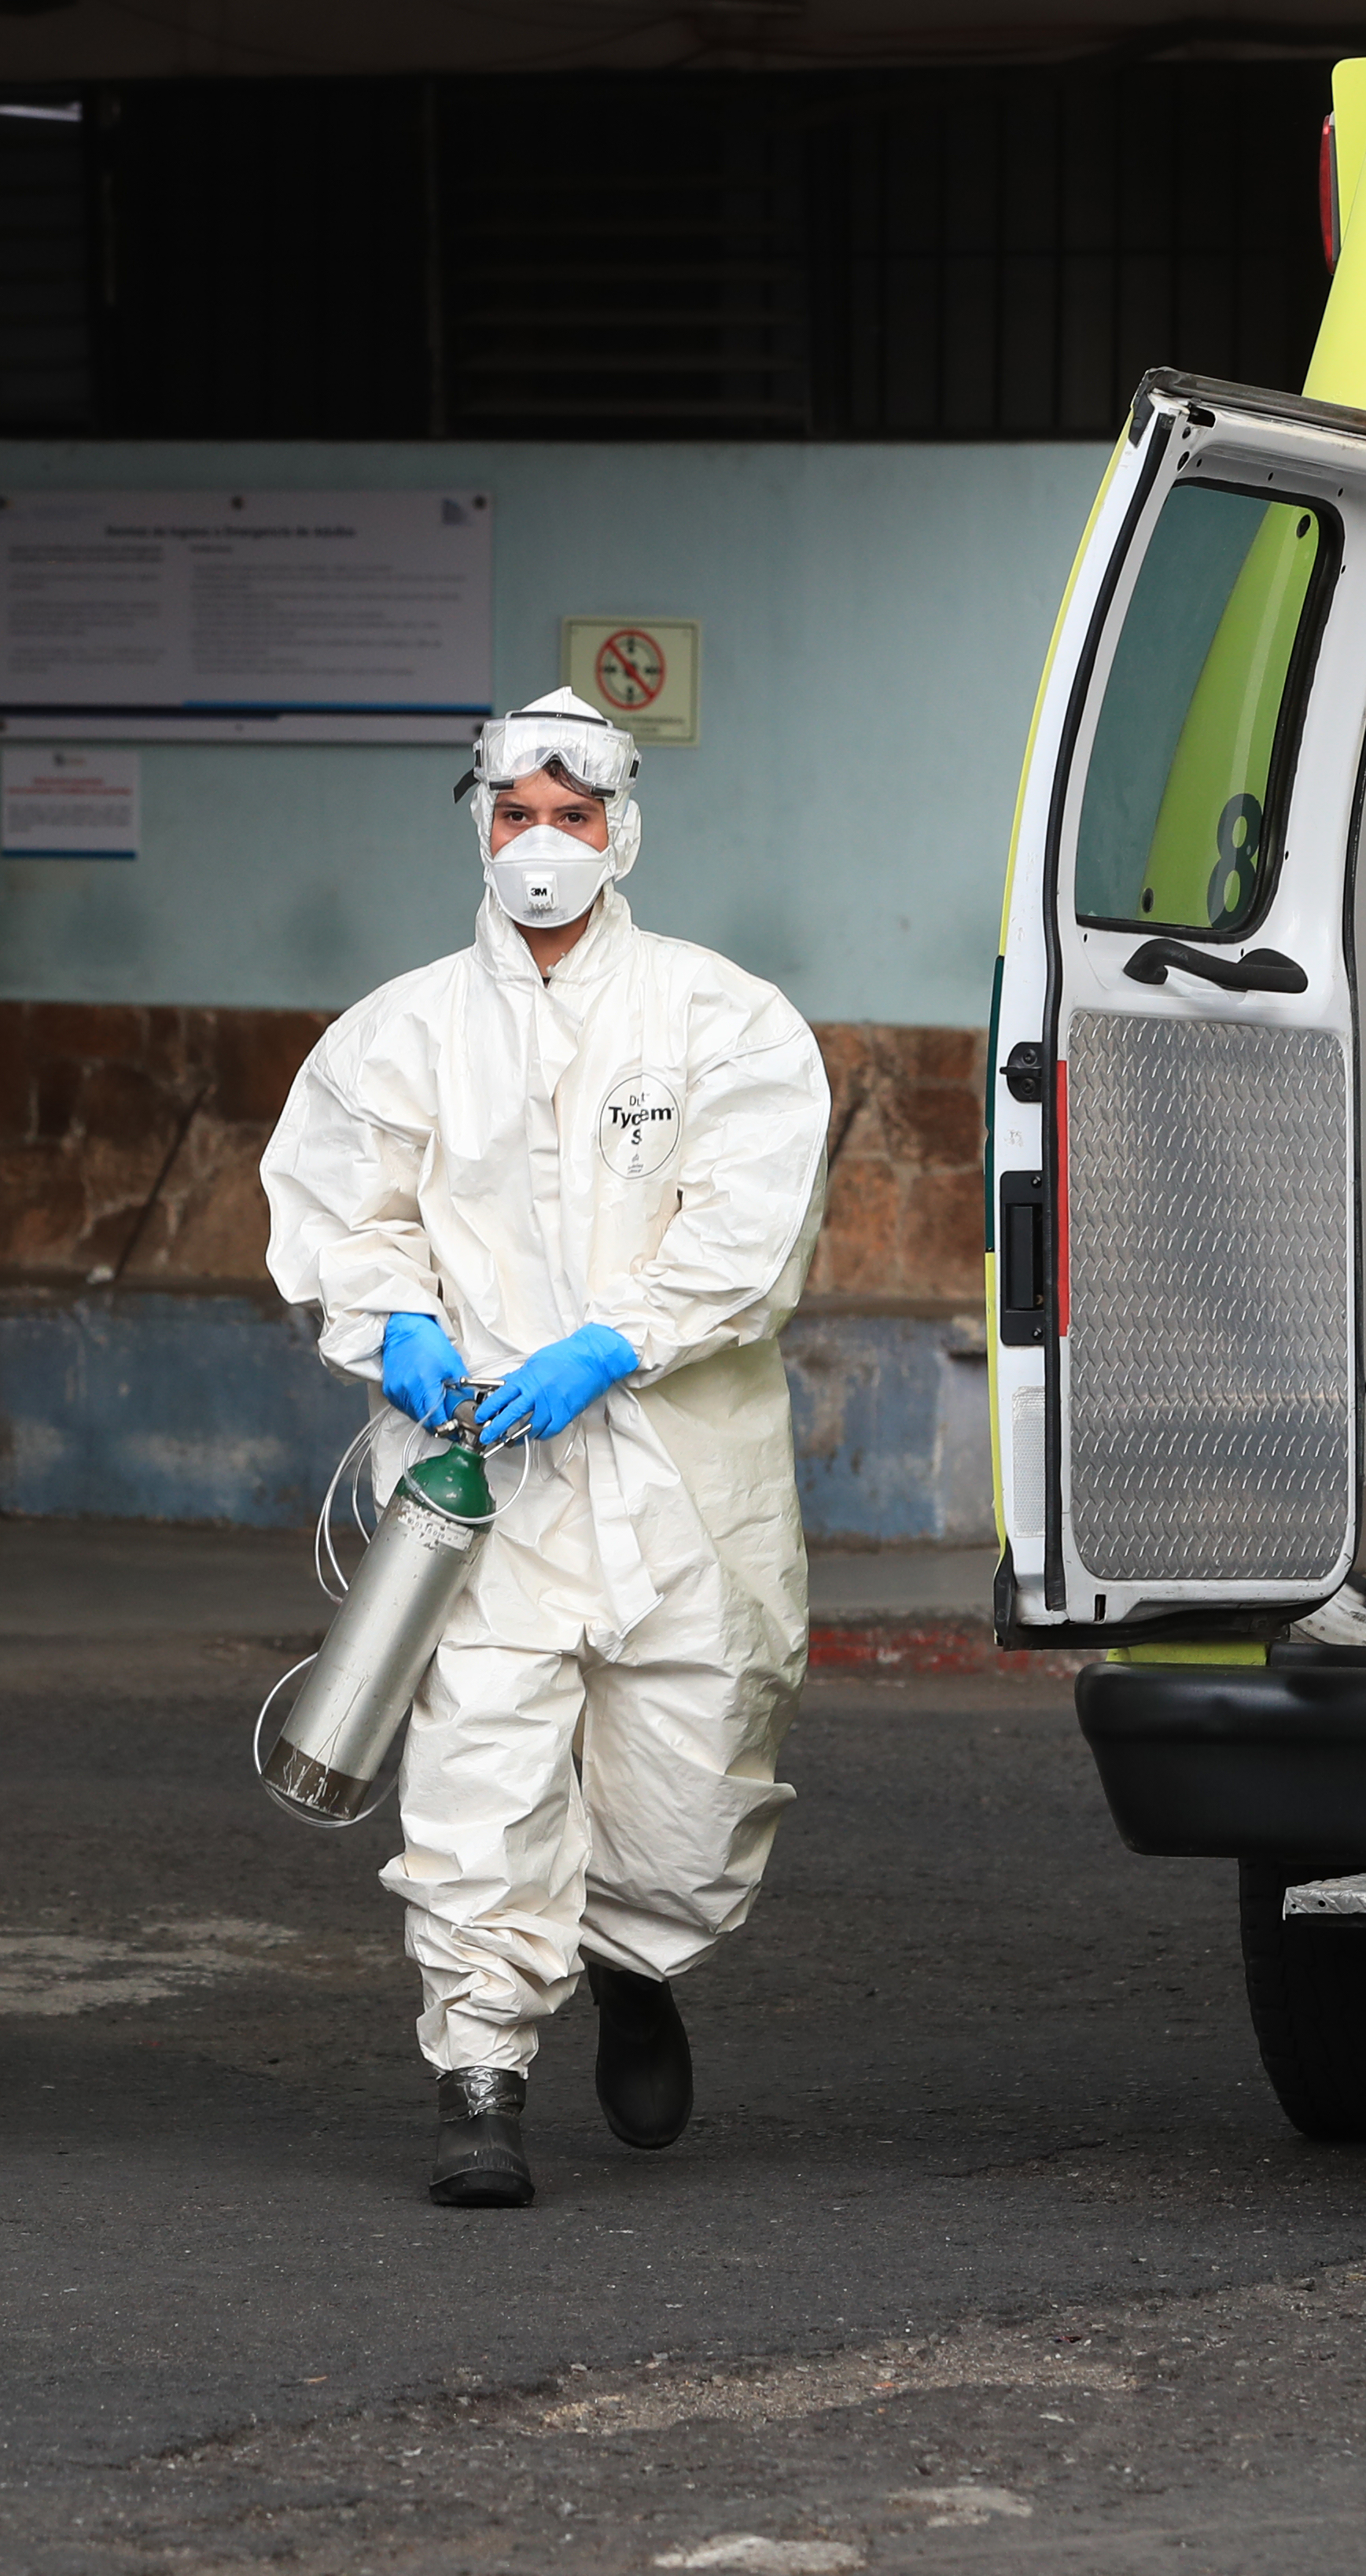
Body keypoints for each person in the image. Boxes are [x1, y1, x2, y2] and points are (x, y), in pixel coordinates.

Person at [262, 687, 834, 2208]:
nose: (542, 846)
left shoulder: (726, 1021)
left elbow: (750, 1226)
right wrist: (394, 1323)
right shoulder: (398, 1033)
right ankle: (481, 2071)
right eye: (517, 816)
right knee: (480, 1778)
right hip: (473, 1484)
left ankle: (636, 1962)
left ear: (621, 831)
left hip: (674, 1478)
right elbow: (342, 1212)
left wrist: (615, 1339)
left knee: (693, 1787)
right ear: (480, 826)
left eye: (572, 819)